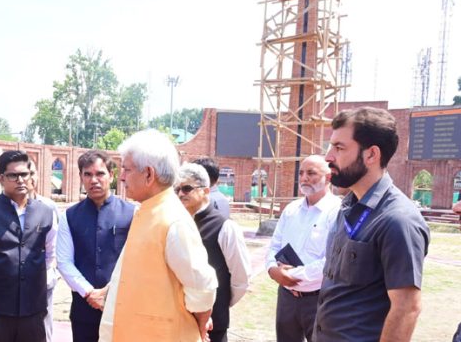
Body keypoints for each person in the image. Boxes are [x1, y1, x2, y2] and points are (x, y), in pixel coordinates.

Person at [313, 107, 430, 341]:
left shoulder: (398, 220)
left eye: (339, 147)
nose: (328, 157)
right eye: (330, 146)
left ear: (371, 155)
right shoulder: (346, 208)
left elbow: (407, 308)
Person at [99, 129, 218, 342]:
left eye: (126, 169)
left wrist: (200, 321)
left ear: (149, 174)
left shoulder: (173, 220)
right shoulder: (148, 211)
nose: (122, 177)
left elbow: (202, 286)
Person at [0, 150, 56, 342]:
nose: (20, 180)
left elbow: (50, 254)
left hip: (33, 309)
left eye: (24, 174)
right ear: (2, 178)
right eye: (13, 175)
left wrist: (41, 287)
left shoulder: (46, 211)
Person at [57, 150, 135, 342]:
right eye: (88, 174)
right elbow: (64, 262)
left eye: (100, 173)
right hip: (84, 308)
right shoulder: (69, 216)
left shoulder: (132, 213)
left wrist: (108, 291)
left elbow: (136, 259)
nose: (94, 180)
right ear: (81, 177)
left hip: (121, 305)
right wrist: (90, 293)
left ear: (111, 175)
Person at [264, 155, 340, 342]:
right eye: (301, 173)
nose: (304, 178)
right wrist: (272, 269)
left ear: (328, 178)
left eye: (311, 173)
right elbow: (275, 245)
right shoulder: (291, 210)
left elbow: (332, 261)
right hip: (287, 297)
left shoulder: (337, 212)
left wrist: (295, 276)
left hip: (318, 299)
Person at [176, 163, 251, 342]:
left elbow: (241, 278)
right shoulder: (176, 223)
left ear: (206, 191)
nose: (180, 194)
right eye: (177, 189)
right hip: (180, 321)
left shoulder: (225, 227)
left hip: (213, 325)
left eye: (186, 188)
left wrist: (220, 304)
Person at [27, 159, 59, 342]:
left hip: (43, 280)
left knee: (43, 329)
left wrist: (50, 273)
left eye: (31, 173)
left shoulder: (49, 207)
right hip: (11, 283)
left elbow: (55, 245)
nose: (27, 178)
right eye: (22, 173)